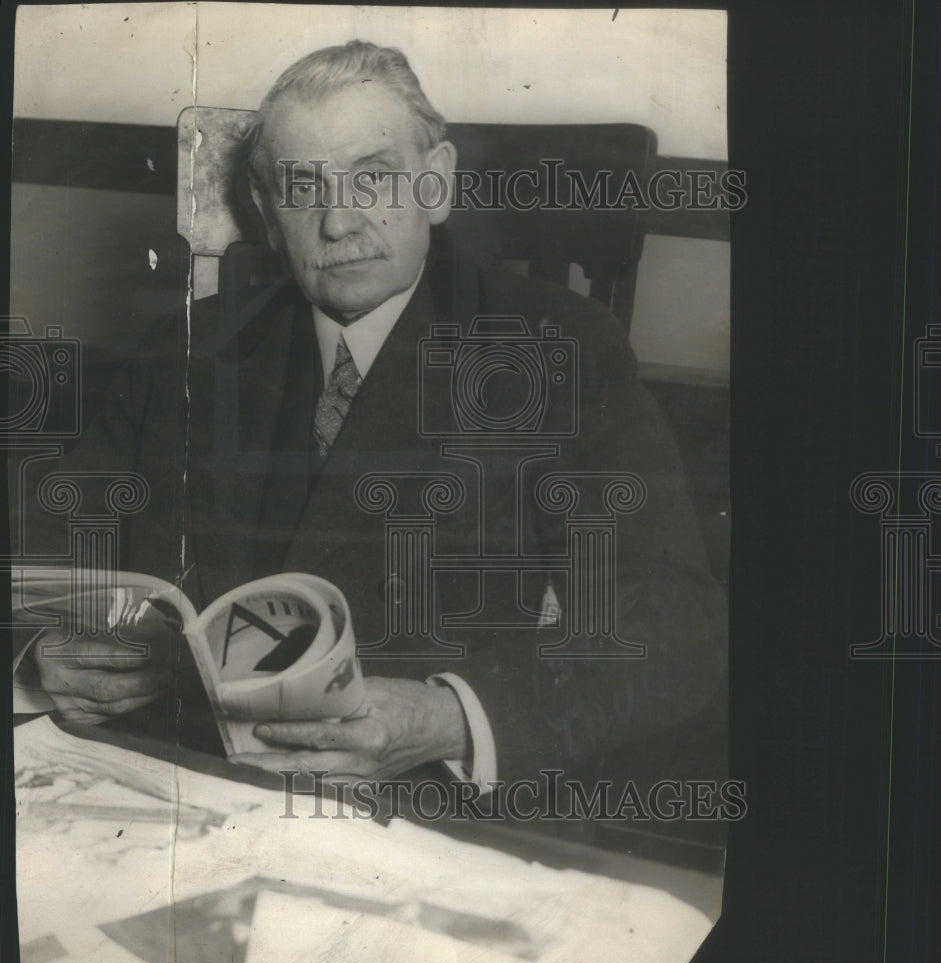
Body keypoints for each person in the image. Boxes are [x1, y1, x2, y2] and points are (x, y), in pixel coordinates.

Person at [15, 41, 726, 803]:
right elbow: (55, 544)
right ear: (264, 210)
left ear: (437, 183)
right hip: (180, 784)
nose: (339, 221)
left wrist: (452, 714)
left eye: (374, 176)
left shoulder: (561, 348)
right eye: (301, 186)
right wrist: (42, 656)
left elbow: (671, 624)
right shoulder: (187, 349)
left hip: (430, 802)